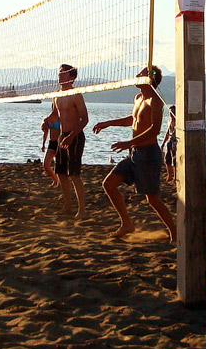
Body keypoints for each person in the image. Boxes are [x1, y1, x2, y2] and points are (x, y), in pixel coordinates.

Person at [95, 66, 175, 242]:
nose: (137, 76)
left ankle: (175, 233)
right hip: (134, 153)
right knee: (108, 184)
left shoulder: (155, 100)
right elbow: (132, 120)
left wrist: (128, 143)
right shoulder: (138, 98)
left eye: (142, 73)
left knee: (153, 200)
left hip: (148, 154)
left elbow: (155, 129)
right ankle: (126, 223)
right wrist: (108, 123)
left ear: (149, 79)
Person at [43, 64, 88, 220]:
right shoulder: (56, 95)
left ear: (71, 77)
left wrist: (71, 136)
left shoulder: (76, 94)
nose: (60, 75)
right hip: (63, 135)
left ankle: (82, 210)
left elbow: (84, 119)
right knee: (61, 173)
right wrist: (46, 121)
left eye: (63, 73)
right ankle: (68, 205)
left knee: (74, 174)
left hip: (75, 136)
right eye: (59, 72)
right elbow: (55, 115)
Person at [40, 111, 60, 187]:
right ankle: (55, 179)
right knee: (45, 164)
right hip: (51, 142)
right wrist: (43, 144)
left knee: (58, 164)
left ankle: (58, 182)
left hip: (59, 142)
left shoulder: (61, 117)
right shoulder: (49, 118)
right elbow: (45, 132)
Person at [160, 105, 177, 183]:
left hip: (175, 141)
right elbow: (167, 132)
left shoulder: (178, 121)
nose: (171, 113)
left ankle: (175, 176)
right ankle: (169, 175)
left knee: (174, 159)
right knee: (167, 159)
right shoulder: (169, 121)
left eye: (173, 112)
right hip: (169, 140)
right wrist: (163, 143)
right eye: (170, 112)